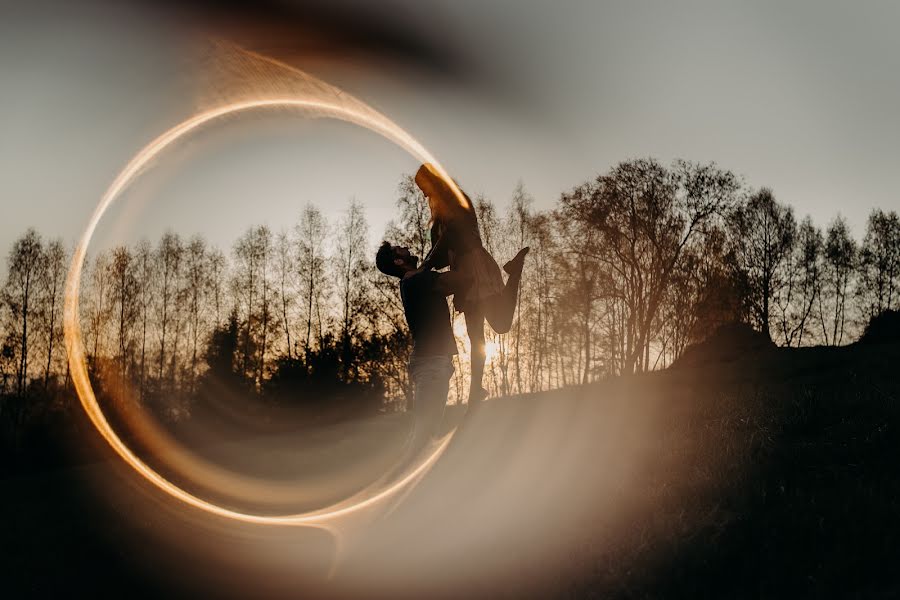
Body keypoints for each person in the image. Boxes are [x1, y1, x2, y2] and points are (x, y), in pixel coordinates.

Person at [412, 163, 528, 409]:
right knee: (480, 332)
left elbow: (454, 236)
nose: (424, 194)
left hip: (474, 265)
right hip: (463, 270)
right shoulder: (438, 219)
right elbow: (443, 252)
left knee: (499, 325)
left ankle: (476, 390)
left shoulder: (456, 202)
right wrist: (428, 266)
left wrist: (427, 262)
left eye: (424, 187)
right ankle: (476, 390)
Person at [376, 242, 469, 451]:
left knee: (426, 434)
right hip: (431, 364)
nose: (404, 247)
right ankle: (407, 479)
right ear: (398, 261)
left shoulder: (416, 280)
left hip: (434, 363)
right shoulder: (416, 280)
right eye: (399, 249)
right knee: (424, 435)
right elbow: (461, 280)